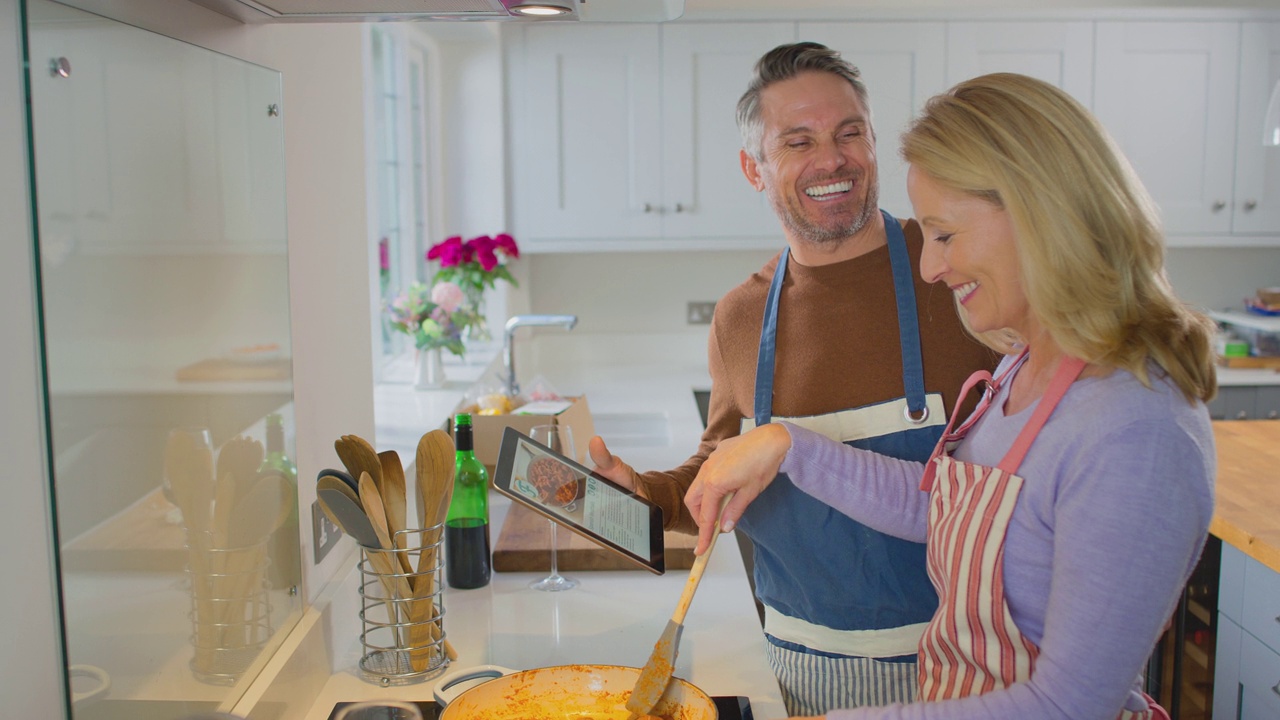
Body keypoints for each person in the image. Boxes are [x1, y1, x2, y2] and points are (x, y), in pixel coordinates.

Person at [685, 72, 1218, 720]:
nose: (930, 266)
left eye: (943, 234)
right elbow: (948, 509)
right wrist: (788, 445)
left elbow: (1067, 705)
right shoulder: (1025, 368)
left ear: (1036, 216)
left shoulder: (1136, 431)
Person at [587, 42, 997, 714]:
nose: (833, 159)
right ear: (755, 168)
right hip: (790, 665)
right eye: (799, 141)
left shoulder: (956, 272)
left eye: (849, 133)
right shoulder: (741, 317)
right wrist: (638, 494)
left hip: (960, 667)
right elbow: (721, 468)